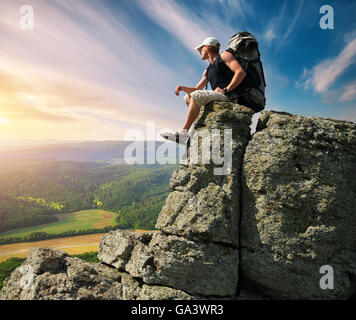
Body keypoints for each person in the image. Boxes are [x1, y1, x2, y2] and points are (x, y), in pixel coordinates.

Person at [161, 37, 247, 144]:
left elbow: (240, 72)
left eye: (201, 49)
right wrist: (183, 88)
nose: (200, 52)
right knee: (188, 97)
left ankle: (183, 134)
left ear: (207, 48)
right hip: (220, 95)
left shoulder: (224, 56)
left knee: (195, 96)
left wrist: (225, 89)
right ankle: (193, 129)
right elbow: (197, 89)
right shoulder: (207, 70)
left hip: (230, 95)